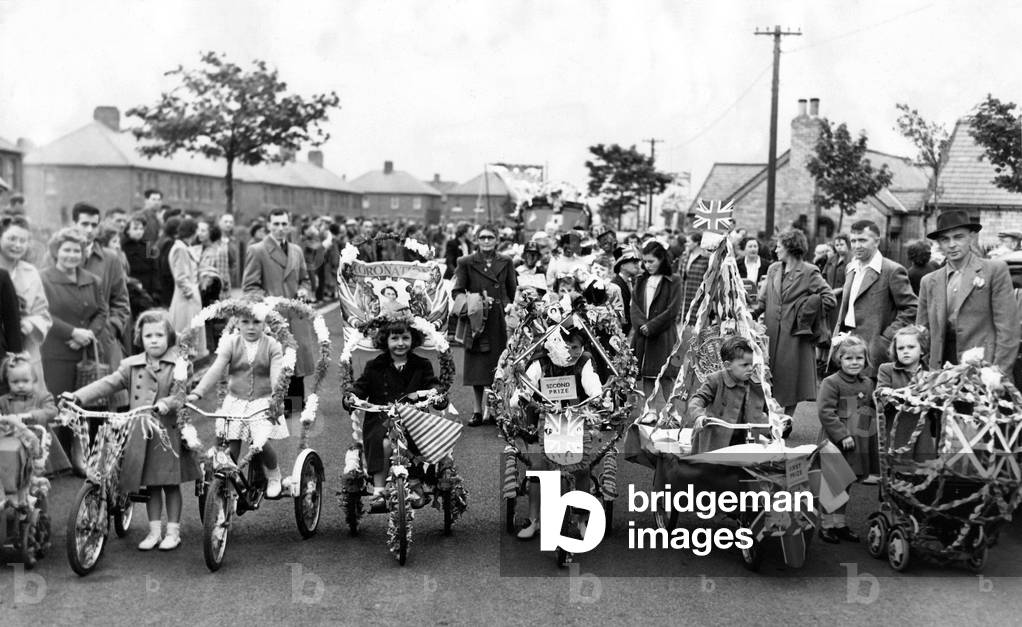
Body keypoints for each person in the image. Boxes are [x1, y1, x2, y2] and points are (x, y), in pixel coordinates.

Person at [67, 310, 199, 550]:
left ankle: (173, 532)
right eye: (149, 335)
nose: (154, 340)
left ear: (169, 336)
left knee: (169, 484)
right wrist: (78, 396)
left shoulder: (179, 363)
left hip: (166, 433)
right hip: (141, 433)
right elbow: (108, 383)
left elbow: (181, 393)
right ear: (141, 338)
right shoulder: (132, 365)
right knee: (151, 486)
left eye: (160, 334)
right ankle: (154, 531)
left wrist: (166, 403)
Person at [188, 307, 288, 498]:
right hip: (235, 401)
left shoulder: (272, 345)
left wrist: (277, 398)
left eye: (256, 322)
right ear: (237, 323)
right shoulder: (231, 343)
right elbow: (216, 369)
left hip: (262, 401)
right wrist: (197, 393)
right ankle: (228, 481)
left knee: (261, 441)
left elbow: (276, 376)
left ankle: (274, 473)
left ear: (265, 323)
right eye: (245, 322)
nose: (251, 327)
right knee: (230, 444)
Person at [514, 326, 602, 540]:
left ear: (582, 347)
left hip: (577, 421)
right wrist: (520, 397)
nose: (571, 352)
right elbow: (526, 385)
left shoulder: (585, 361)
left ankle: (582, 520)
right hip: (544, 421)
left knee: (582, 467)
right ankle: (534, 520)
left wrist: (598, 396)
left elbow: (594, 388)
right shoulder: (541, 361)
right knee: (538, 467)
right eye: (566, 346)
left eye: (575, 347)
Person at [343, 318, 441, 508]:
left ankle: (414, 481)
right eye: (394, 338)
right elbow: (360, 387)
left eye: (405, 337)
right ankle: (379, 489)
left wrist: (436, 393)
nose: (400, 343)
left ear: (413, 339)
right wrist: (352, 397)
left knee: (414, 438)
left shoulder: (422, 364)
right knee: (385, 442)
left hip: (413, 417)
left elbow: (432, 384)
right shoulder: (375, 365)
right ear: (385, 341)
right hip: (381, 415)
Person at [916, 210, 1020, 373]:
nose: (952, 245)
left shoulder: (994, 271)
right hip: (941, 369)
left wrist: (998, 371)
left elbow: (1008, 328)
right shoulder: (929, 281)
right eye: (945, 239)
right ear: (939, 244)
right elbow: (922, 333)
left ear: (971, 237)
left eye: (958, 237)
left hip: (983, 368)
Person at [40, 227, 108, 473]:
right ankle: (56, 463)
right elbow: (43, 313)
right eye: (66, 249)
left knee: (83, 406)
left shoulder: (92, 280)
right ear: (57, 251)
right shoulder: (44, 278)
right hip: (55, 352)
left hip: (85, 353)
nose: (71, 255)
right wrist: (71, 333)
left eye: (76, 250)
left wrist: (87, 333)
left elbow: (102, 311)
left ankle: (82, 457)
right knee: (58, 405)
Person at [242, 209, 317, 417]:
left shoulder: (296, 250)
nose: (280, 229)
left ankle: (294, 405)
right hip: (272, 320)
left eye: (284, 224)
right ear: (268, 225)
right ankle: (274, 406)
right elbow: (249, 287)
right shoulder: (257, 250)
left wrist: (303, 290)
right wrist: (266, 306)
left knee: (297, 365)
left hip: (295, 316)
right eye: (276, 224)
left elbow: (305, 279)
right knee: (277, 363)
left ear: (289, 225)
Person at [758, 229, 835, 416]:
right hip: (770, 332)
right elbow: (764, 299)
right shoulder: (773, 268)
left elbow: (829, 298)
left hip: (795, 335)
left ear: (791, 248)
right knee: (766, 374)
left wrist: (805, 312)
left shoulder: (809, 271)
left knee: (790, 377)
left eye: (779, 246)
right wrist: (749, 313)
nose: (776, 250)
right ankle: (765, 416)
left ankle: (787, 419)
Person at [832, 220, 917, 378]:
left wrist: (885, 338)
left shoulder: (892, 270)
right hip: (847, 346)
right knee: (848, 398)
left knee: (869, 399)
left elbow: (911, 308)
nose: (857, 246)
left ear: (877, 241)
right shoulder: (851, 268)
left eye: (863, 240)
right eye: (854, 241)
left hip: (873, 350)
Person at [452, 224, 517, 427]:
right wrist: (474, 302)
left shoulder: (506, 261)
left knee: (498, 365)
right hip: (477, 320)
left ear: (497, 240)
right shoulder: (466, 262)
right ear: (477, 240)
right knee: (477, 367)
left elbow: (511, 291)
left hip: (499, 319)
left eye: (490, 237)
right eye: (483, 238)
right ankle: (477, 410)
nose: (487, 241)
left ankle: (495, 409)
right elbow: (457, 291)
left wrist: (507, 307)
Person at [816, 333, 874, 543]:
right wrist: (841, 435)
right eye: (848, 358)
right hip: (836, 441)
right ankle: (826, 524)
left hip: (858, 440)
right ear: (839, 359)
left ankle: (839, 523)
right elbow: (826, 412)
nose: (854, 362)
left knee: (847, 482)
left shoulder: (867, 383)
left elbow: (868, 409)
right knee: (833, 482)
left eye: (859, 358)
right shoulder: (831, 382)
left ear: (865, 359)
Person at [73, 203, 132, 397]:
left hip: (102, 342)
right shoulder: (59, 254)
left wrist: (112, 328)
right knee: (68, 402)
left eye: (93, 225)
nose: (89, 230)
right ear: (73, 224)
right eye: (84, 224)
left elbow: (121, 301)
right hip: (69, 340)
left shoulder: (110, 258)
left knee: (105, 402)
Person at [688, 336, 776, 453]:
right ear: (728, 365)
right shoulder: (716, 380)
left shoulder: (756, 384)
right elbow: (697, 399)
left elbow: (768, 407)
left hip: (744, 439)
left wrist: (778, 420)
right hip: (716, 441)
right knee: (709, 468)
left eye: (752, 364)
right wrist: (699, 416)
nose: (750, 368)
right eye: (744, 365)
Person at [0, 353, 69, 474]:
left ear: (34, 379)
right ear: (8, 381)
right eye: (15, 382)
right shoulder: (4, 401)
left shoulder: (42, 397)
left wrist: (33, 414)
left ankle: (42, 472)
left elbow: (52, 411)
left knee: (40, 461)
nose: (20, 385)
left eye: (25, 381)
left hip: (39, 435)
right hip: (15, 438)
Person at [631, 241, 681, 406]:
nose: (647, 265)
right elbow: (635, 306)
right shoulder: (641, 280)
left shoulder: (673, 280)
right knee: (647, 374)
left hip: (663, 334)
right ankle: (650, 410)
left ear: (661, 259)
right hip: (643, 335)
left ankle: (671, 411)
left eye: (651, 261)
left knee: (666, 375)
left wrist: (651, 326)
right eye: (645, 261)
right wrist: (641, 325)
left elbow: (672, 310)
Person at [875, 325, 935, 461]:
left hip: (921, 427)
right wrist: (896, 394)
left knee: (921, 464)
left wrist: (930, 397)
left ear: (922, 349)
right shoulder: (887, 370)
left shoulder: (930, 374)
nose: (905, 351)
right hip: (896, 425)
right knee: (898, 463)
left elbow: (937, 402)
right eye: (900, 348)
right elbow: (880, 395)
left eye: (911, 347)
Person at [0, 217, 47, 387]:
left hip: (25, 348)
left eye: (23, 240)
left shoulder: (31, 272)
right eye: (12, 239)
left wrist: (29, 323)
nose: (17, 245)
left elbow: (43, 312)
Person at [168, 218, 205, 358]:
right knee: (185, 334)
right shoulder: (180, 249)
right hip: (185, 300)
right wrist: (190, 294)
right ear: (193, 232)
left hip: (189, 298)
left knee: (190, 334)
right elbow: (181, 276)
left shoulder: (185, 247)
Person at [677, 232, 709, 324]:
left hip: (697, 296)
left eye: (688, 241)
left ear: (696, 243)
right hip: (683, 296)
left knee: (693, 326)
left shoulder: (705, 259)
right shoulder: (684, 257)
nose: (686, 244)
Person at [611, 248, 640, 336]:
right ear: (622, 265)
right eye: (634, 262)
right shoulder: (614, 286)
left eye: (637, 263)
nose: (637, 266)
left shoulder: (635, 282)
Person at [218, 213, 246, 293]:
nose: (228, 224)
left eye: (230, 222)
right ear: (220, 223)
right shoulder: (214, 239)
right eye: (226, 221)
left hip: (227, 279)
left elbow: (234, 261)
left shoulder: (232, 241)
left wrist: (231, 274)